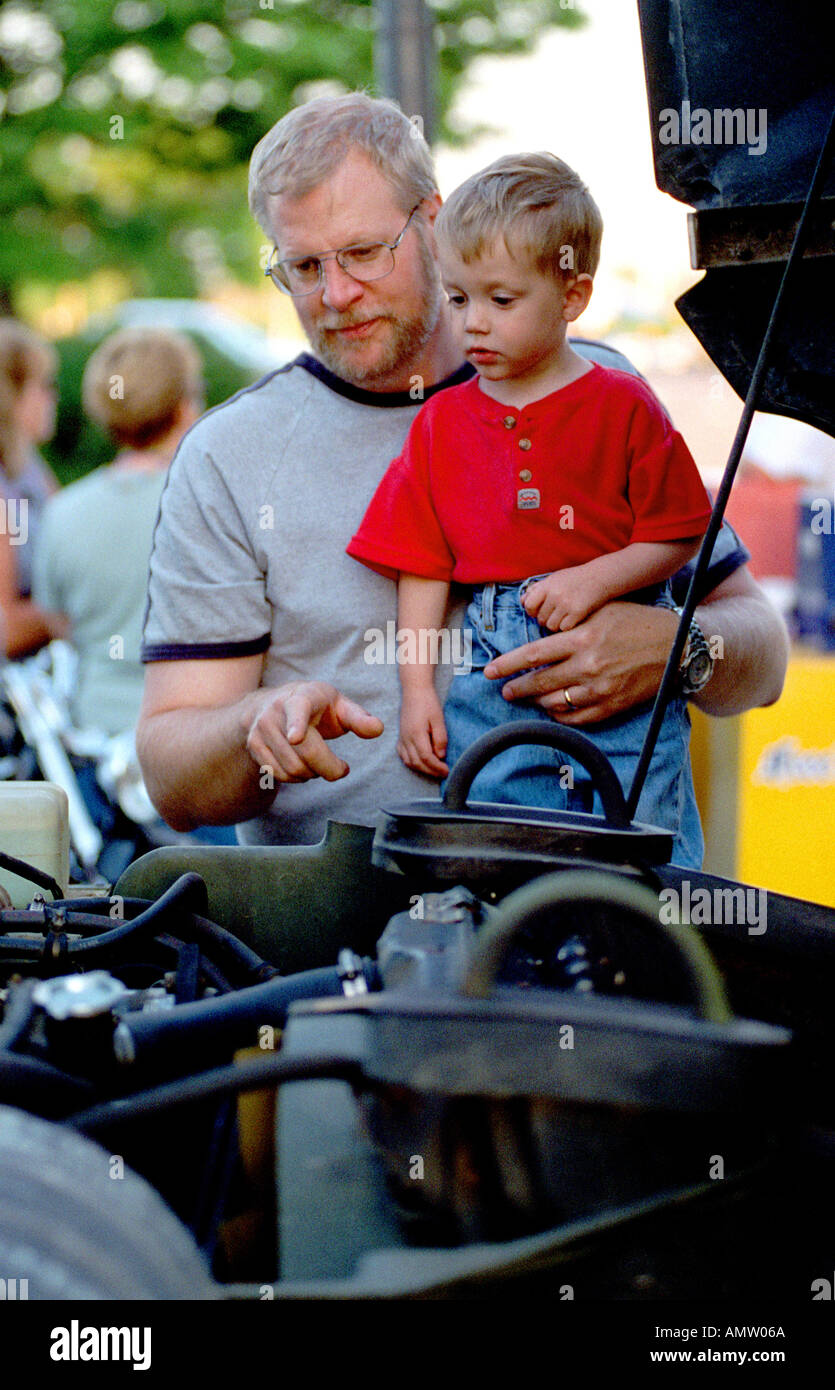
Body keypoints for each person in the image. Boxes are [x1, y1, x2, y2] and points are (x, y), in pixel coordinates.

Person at [136, 92, 789, 848]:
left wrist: (680, 648)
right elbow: (170, 776)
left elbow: (763, 656)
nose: (335, 294)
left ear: (434, 220)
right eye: (302, 266)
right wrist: (252, 726)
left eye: (361, 253)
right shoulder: (228, 456)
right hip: (344, 932)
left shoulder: (600, 390)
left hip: (601, 894)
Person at [347, 153, 713, 863]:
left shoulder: (622, 402)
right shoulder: (441, 424)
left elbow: (677, 531)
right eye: (457, 300)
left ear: (571, 296)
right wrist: (417, 690)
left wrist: (593, 580)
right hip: (493, 668)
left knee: (644, 853)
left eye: (500, 301)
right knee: (498, 846)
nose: (472, 324)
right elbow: (421, 566)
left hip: (622, 668)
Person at [33, 327, 204, 736]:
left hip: (94, 737)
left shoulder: (62, 511)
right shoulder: (210, 504)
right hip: (193, 733)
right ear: (183, 407)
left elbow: (58, 622)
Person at [0, 318, 67, 657]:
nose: (52, 396)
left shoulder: (29, 468)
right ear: (10, 395)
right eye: (43, 384)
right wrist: (84, 602)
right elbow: (5, 629)